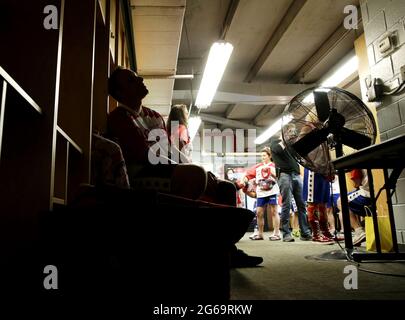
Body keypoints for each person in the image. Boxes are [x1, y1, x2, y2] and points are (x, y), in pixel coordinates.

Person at [106, 67, 262, 267]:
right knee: (194, 175)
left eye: (138, 77)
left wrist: (203, 172)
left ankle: (226, 250)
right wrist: (192, 170)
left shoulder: (153, 115)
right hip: (139, 174)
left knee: (226, 187)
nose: (141, 79)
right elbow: (145, 157)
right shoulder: (119, 117)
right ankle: (185, 250)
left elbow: (168, 151)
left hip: (161, 167)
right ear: (119, 93)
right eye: (131, 80)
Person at [270, 127, 312, 242]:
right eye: (290, 132)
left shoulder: (291, 146)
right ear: (284, 132)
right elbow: (279, 150)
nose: (292, 134)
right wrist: (285, 140)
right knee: (286, 204)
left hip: (297, 175)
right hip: (284, 175)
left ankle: (305, 232)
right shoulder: (275, 143)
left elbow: (299, 156)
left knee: (302, 205)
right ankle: (286, 234)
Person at [244, 147, 280, 241]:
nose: (263, 157)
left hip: (272, 191)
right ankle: (260, 234)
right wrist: (247, 181)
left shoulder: (274, 165)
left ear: (269, 156)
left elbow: (277, 176)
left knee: (274, 212)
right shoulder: (258, 167)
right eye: (262, 156)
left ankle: (276, 233)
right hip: (261, 192)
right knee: (259, 212)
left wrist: (270, 171)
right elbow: (250, 176)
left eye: (264, 155)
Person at [338, 169, 370, 246]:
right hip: (377, 192)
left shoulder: (356, 161)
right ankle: (359, 231)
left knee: (340, 201)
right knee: (350, 198)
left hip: (367, 194)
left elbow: (357, 182)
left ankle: (359, 231)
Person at [303, 168, 334, 244]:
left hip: (324, 170)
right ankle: (316, 234)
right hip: (313, 169)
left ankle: (325, 232)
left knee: (323, 202)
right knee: (313, 202)